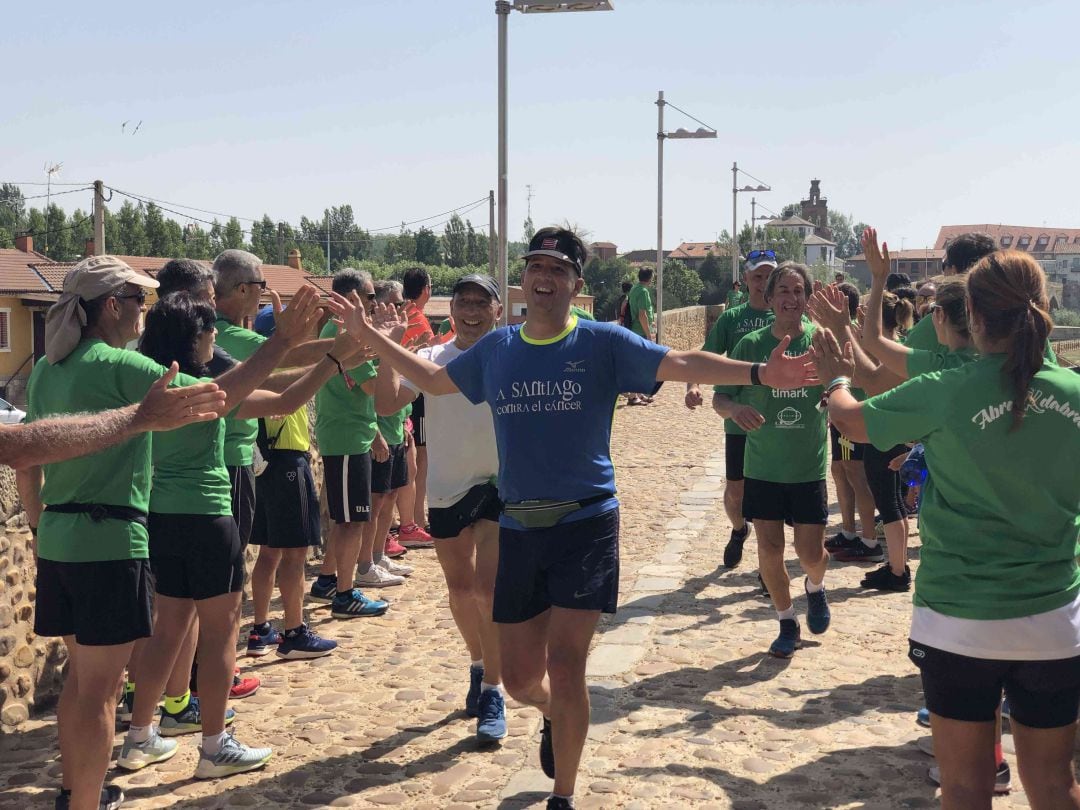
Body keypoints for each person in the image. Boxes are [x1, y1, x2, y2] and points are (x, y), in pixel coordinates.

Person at [345, 226, 815, 809]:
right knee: (520, 681)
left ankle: (562, 794)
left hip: (587, 522)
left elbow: (682, 360)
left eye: (558, 269)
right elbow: (433, 379)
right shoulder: (496, 349)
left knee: (567, 666)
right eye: (535, 266)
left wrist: (761, 375)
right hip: (519, 525)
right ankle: (552, 717)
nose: (544, 277)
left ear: (575, 284)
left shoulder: (602, 342)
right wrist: (368, 335)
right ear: (523, 280)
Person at [12, 256, 317, 810]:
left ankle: (72, 789)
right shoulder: (118, 365)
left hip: (58, 536)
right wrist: (284, 343)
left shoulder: (46, 369)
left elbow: (27, 459)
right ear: (111, 305)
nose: (142, 312)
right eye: (137, 301)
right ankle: (86, 800)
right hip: (110, 539)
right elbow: (219, 397)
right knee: (101, 695)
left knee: (81, 685)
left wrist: (37, 522)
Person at [813, 250, 1080, 810]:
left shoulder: (950, 387)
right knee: (1055, 785)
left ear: (973, 317)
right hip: (1056, 621)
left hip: (960, 619)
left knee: (964, 787)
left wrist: (834, 375)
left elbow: (851, 417)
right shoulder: (1073, 392)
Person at [117, 289, 357, 779]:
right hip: (207, 518)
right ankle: (214, 747)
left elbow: (277, 393)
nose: (214, 339)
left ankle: (139, 738)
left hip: (161, 519)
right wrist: (315, 353)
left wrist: (329, 358)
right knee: (221, 633)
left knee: (168, 629)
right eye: (209, 332)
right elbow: (276, 392)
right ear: (196, 336)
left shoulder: (152, 385)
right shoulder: (202, 391)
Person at [375, 273, 507, 743]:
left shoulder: (512, 353)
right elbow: (388, 400)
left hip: (498, 486)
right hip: (448, 488)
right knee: (461, 589)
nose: (471, 311)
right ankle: (477, 663)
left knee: (488, 593)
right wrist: (388, 346)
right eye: (463, 302)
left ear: (497, 309)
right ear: (451, 312)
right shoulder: (431, 358)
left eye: (481, 302)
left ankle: (494, 689)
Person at [714, 262, 830, 659]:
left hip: (807, 467)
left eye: (798, 292)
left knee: (811, 554)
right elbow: (720, 397)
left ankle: (815, 587)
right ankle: (786, 620)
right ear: (770, 297)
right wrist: (734, 411)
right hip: (762, 466)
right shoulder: (749, 346)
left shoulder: (822, 341)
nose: (790, 298)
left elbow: (847, 385)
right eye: (783, 290)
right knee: (769, 550)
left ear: (807, 299)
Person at [246, 305, 341, 661]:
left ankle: (260, 629)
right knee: (295, 554)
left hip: (265, 465)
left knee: (269, 552)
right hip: (287, 458)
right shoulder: (283, 363)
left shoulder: (260, 363)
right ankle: (294, 631)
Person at [309, 269, 393, 617]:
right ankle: (345, 595)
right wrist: (393, 355)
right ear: (352, 298)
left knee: (350, 517)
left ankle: (328, 579)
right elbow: (375, 389)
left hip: (353, 432)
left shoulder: (346, 332)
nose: (375, 303)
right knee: (351, 521)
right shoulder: (342, 333)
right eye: (370, 296)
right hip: (344, 436)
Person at [687, 249, 776, 568]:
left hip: (778, 422)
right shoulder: (731, 319)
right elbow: (706, 357)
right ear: (747, 280)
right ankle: (739, 530)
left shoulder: (789, 318)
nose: (763, 283)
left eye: (769, 277)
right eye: (757, 277)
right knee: (736, 492)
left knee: (769, 495)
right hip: (737, 416)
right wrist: (693, 385)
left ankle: (769, 567)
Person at [0, 369, 223, 470]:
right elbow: (15, 446)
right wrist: (139, 418)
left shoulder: (44, 366)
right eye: (139, 299)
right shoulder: (125, 365)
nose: (143, 307)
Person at [822, 282, 879, 564]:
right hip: (840, 414)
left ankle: (869, 541)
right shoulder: (837, 330)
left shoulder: (852, 333)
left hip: (854, 412)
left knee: (856, 474)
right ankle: (848, 531)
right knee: (839, 469)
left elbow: (861, 373)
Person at [901, 233, 996, 351]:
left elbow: (892, 366)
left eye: (945, 265)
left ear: (953, 271)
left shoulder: (937, 320)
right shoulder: (1008, 317)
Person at [399, 267, 436, 548]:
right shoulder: (419, 319)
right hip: (416, 396)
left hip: (402, 394)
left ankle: (410, 521)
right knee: (420, 460)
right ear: (425, 289)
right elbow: (427, 361)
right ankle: (416, 522)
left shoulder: (402, 313)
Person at [627, 266, 655, 341]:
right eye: (652, 278)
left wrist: (651, 322)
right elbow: (642, 315)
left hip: (635, 330)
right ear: (649, 278)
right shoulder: (643, 291)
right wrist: (648, 335)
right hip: (641, 332)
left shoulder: (634, 288)